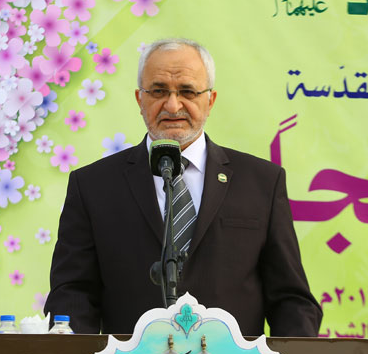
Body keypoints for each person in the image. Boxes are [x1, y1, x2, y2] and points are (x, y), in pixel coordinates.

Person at [45, 38, 322, 337]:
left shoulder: (261, 182)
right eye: (158, 91)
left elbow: (292, 301)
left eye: (187, 91)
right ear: (139, 99)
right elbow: (72, 294)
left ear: (210, 100)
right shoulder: (93, 186)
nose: (173, 105)